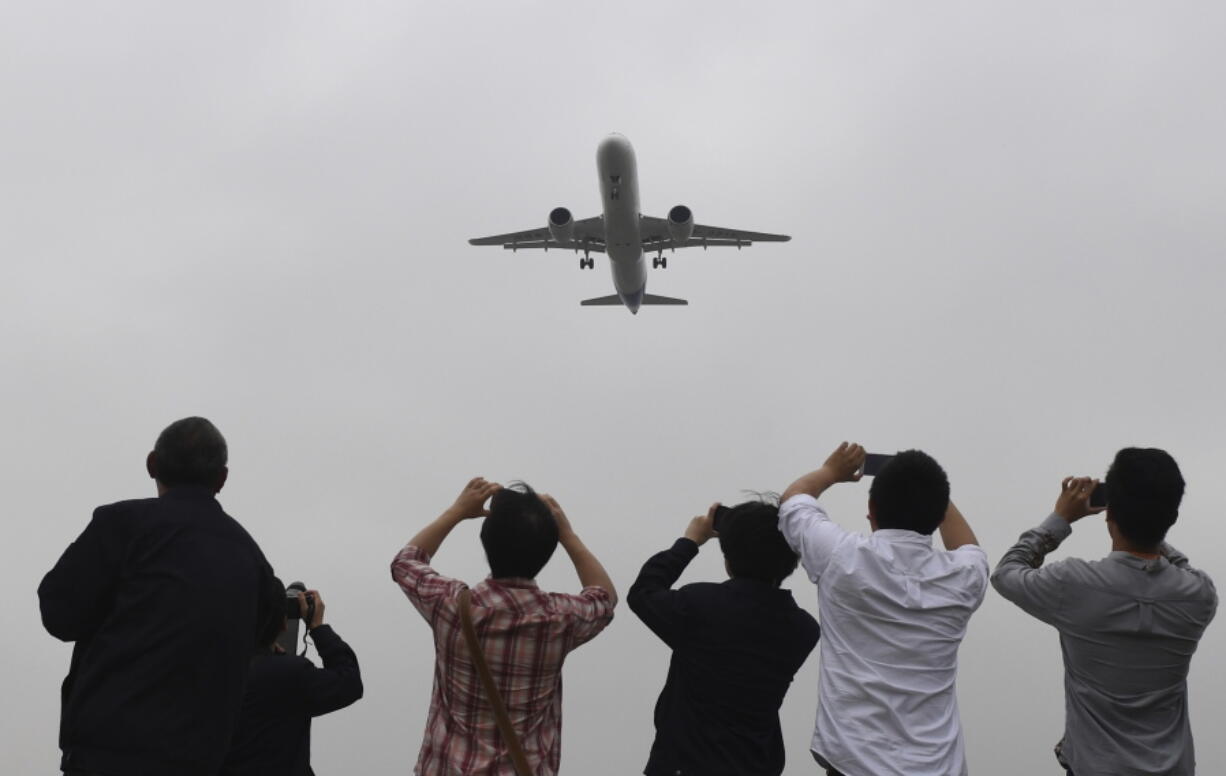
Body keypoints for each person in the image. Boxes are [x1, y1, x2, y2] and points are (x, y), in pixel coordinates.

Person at [39, 416, 276, 776]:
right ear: (222, 478)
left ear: (152, 463)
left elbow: (58, 614)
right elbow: (266, 634)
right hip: (202, 759)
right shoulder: (253, 559)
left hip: (106, 754)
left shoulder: (119, 525)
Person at [991, 448, 1218, 775]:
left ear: (1110, 515)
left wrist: (1061, 518)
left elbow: (1006, 573)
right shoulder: (1199, 597)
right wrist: (1153, 524)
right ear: (1172, 517)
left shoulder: (1073, 584)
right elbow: (1182, 567)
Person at [777, 442, 988, 776]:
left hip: (853, 762)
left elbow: (793, 501)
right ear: (937, 515)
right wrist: (929, 486)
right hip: (939, 765)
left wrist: (831, 472)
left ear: (871, 509)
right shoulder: (964, 577)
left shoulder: (842, 556)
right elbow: (968, 547)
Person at [391, 478, 617, 775]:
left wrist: (457, 511)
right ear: (548, 549)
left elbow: (405, 562)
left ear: (486, 542)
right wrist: (568, 535)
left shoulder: (451, 606)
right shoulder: (561, 618)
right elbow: (604, 597)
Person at [628, 499, 820, 776]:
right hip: (757, 765)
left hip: (684, 764)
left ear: (728, 557)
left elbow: (643, 592)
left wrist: (689, 541)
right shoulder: (803, 629)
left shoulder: (698, 605)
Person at [221, 580, 364, 775]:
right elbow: (349, 682)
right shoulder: (289, 675)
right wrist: (318, 627)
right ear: (283, 624)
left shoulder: (209, 674)